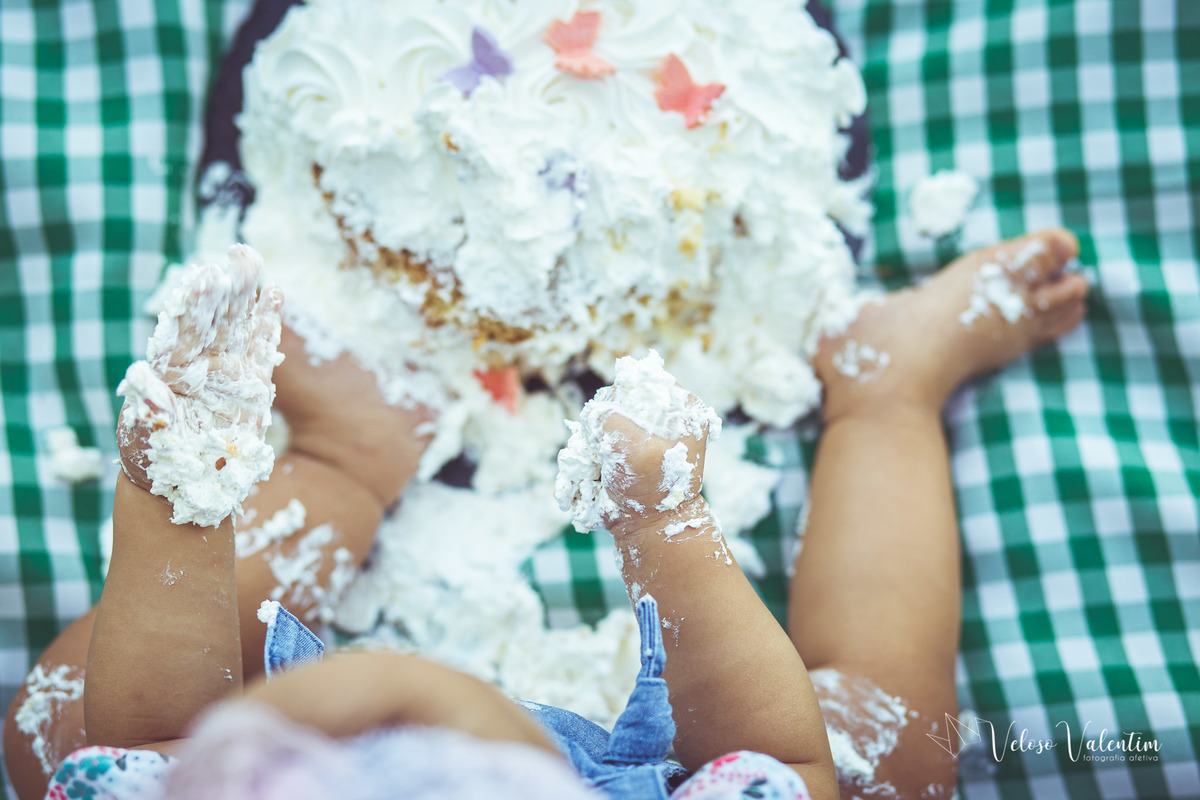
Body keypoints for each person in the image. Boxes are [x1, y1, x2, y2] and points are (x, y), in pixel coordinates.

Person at [4, 228, 1088, 800]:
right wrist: (668, 527)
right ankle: (885, 388)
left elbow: (143, 734)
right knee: (893, 759)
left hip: (233, 772)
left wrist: (176, 502)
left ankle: (349, 458)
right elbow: (778, 756)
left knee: (54, 724)